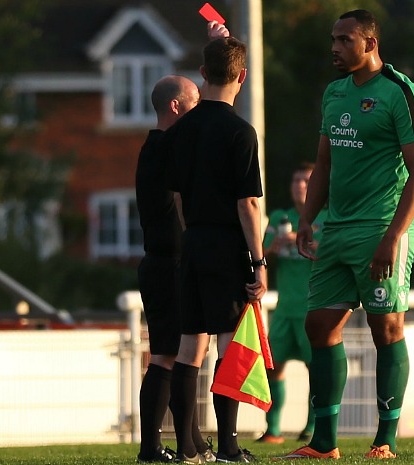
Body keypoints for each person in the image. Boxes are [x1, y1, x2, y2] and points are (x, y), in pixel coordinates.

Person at [277, 9, 414, 460]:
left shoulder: (400, 92)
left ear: (369, 43)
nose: (335, 48)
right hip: (337, 229)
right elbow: (323, 163)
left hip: (383, 227)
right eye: (333, 40)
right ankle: (324, 443)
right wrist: (308, 218)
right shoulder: (334, 93)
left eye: (344, 40)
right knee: (318, 326)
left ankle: (386, 439)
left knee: (387, 328)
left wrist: (392, 238)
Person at [164, 31, 267, 464]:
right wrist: (259, 261)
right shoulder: (241, 132)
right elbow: (247, 204)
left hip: (194, 242)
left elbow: (179, 195)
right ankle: (227, 445)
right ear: (243, 76)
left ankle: (187, 445)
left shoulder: (181, 128)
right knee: (229, 344)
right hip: (227, 245)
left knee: (190, 347)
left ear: (203, 73)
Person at [135, 75, 215, 463]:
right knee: (166, 356)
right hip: (166, 265)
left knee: (187, 355)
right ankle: (151, 448)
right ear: (175, 107)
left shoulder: (161, 147)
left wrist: (212, 72)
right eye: (194, 100)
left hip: (174, 263)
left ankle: (192, 442)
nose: (199, 106)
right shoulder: (164, 148)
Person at [256, 163, 326, 445]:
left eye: (307, 180)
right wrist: (275, 245)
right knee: (274, 367)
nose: (300, 185)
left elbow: (336, 250)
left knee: (317, 370)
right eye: (297, 180)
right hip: (285, 308)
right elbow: (259, 252)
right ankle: (273, 430)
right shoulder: (280, 216)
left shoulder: (328, 216)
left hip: (314, 307)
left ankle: (311, 428)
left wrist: (305, 241)